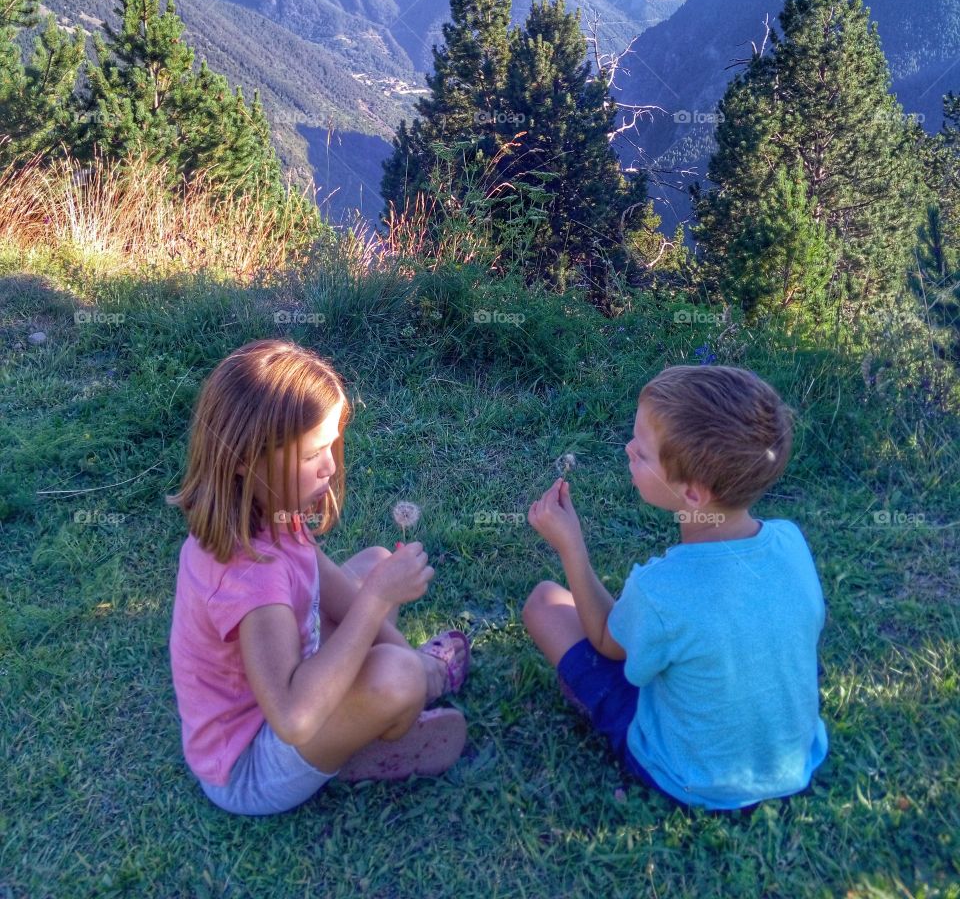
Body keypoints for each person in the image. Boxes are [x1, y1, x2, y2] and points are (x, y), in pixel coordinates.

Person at [167, 338, 470, 816]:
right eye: (313, 455)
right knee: (396, 678)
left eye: (331, 446)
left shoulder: (273, 513)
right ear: (246, 458)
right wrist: (386, 625)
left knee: (372, 564)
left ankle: (405, 686)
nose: (331, 465)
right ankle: (360, 748)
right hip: (249, 766)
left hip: (285, 678)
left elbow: (336, 593)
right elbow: (291, 717)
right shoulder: (252, 580)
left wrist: (392, 627)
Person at [522, 364, 828, 812]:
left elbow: (607, 642)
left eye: (643, 454)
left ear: (692, 495)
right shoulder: (790, 542)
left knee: (543, 605)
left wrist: (571, 547)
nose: (628, 449)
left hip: (688, 777)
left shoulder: (661, 589)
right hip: (793, 762)